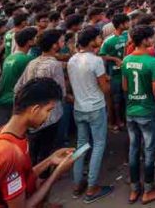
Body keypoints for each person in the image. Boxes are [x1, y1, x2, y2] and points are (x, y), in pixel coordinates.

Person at [0, 77, 77, 208]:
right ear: (35, 109)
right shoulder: (9, 153)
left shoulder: (9, 133)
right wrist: (56, 173)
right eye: (48, 110)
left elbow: (21, 176)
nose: (48, 116)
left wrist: (49, 160)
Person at [122, 25, 155, 204]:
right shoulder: (151, 62)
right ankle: (148, 189)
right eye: (152, 37)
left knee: (134, 149)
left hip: (131, 111)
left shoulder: (126, 60)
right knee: (149, 150)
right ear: (145, 40)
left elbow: (125, 87)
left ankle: (135, 188)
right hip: (147, 111)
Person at [67, 26, 113, 203]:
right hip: (95, 107)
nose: (100, 40)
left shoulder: (72, 60)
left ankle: (78, 184)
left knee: (81, 145)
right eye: (98, 38)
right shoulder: (95, 61)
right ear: (92, 40)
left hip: (79, 108)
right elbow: (105, 89)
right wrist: (107, 81)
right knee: (99, 145)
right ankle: (92, 186)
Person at [13, 29, 66, 164]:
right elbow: (61, 92)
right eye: (61, 41)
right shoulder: (54, 65)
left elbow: (18, 87)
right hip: (50, 116)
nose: (63, 42)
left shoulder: (32, 62)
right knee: (46, 151)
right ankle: (44, 176)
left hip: (32, 115)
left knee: (33, 151)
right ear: (54, 45)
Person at [0, 28, 37, 126]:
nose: (36, 40)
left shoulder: (9, 58)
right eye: (35, 38)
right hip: (16, 101)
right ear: (29, 42)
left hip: (3, 99)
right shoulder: (27, 59)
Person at [99, 13, 128, 131]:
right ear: (120, 25)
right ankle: (117, 120)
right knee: (116, 99)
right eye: (126, 22)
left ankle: (124, 119)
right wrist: (114, 59)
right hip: (115, 75)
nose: (128, 24)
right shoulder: (109, 41)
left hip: (125, 73)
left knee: (125, 98)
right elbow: (102, 55)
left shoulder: (127, 36)